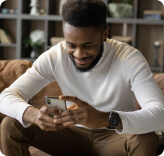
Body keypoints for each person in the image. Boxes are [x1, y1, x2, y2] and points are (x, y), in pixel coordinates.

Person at [0, 0, 164, 155]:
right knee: (11, 125)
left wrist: (104, 119)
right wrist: (33, 115)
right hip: (69, 134)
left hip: (113, 136)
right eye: (71, 44)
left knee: (144, 138)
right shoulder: (55, 56)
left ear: (105, 33)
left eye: (88, 45)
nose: (79, 54)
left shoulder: (129, 58)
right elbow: (5, 97)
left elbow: (160, 114)